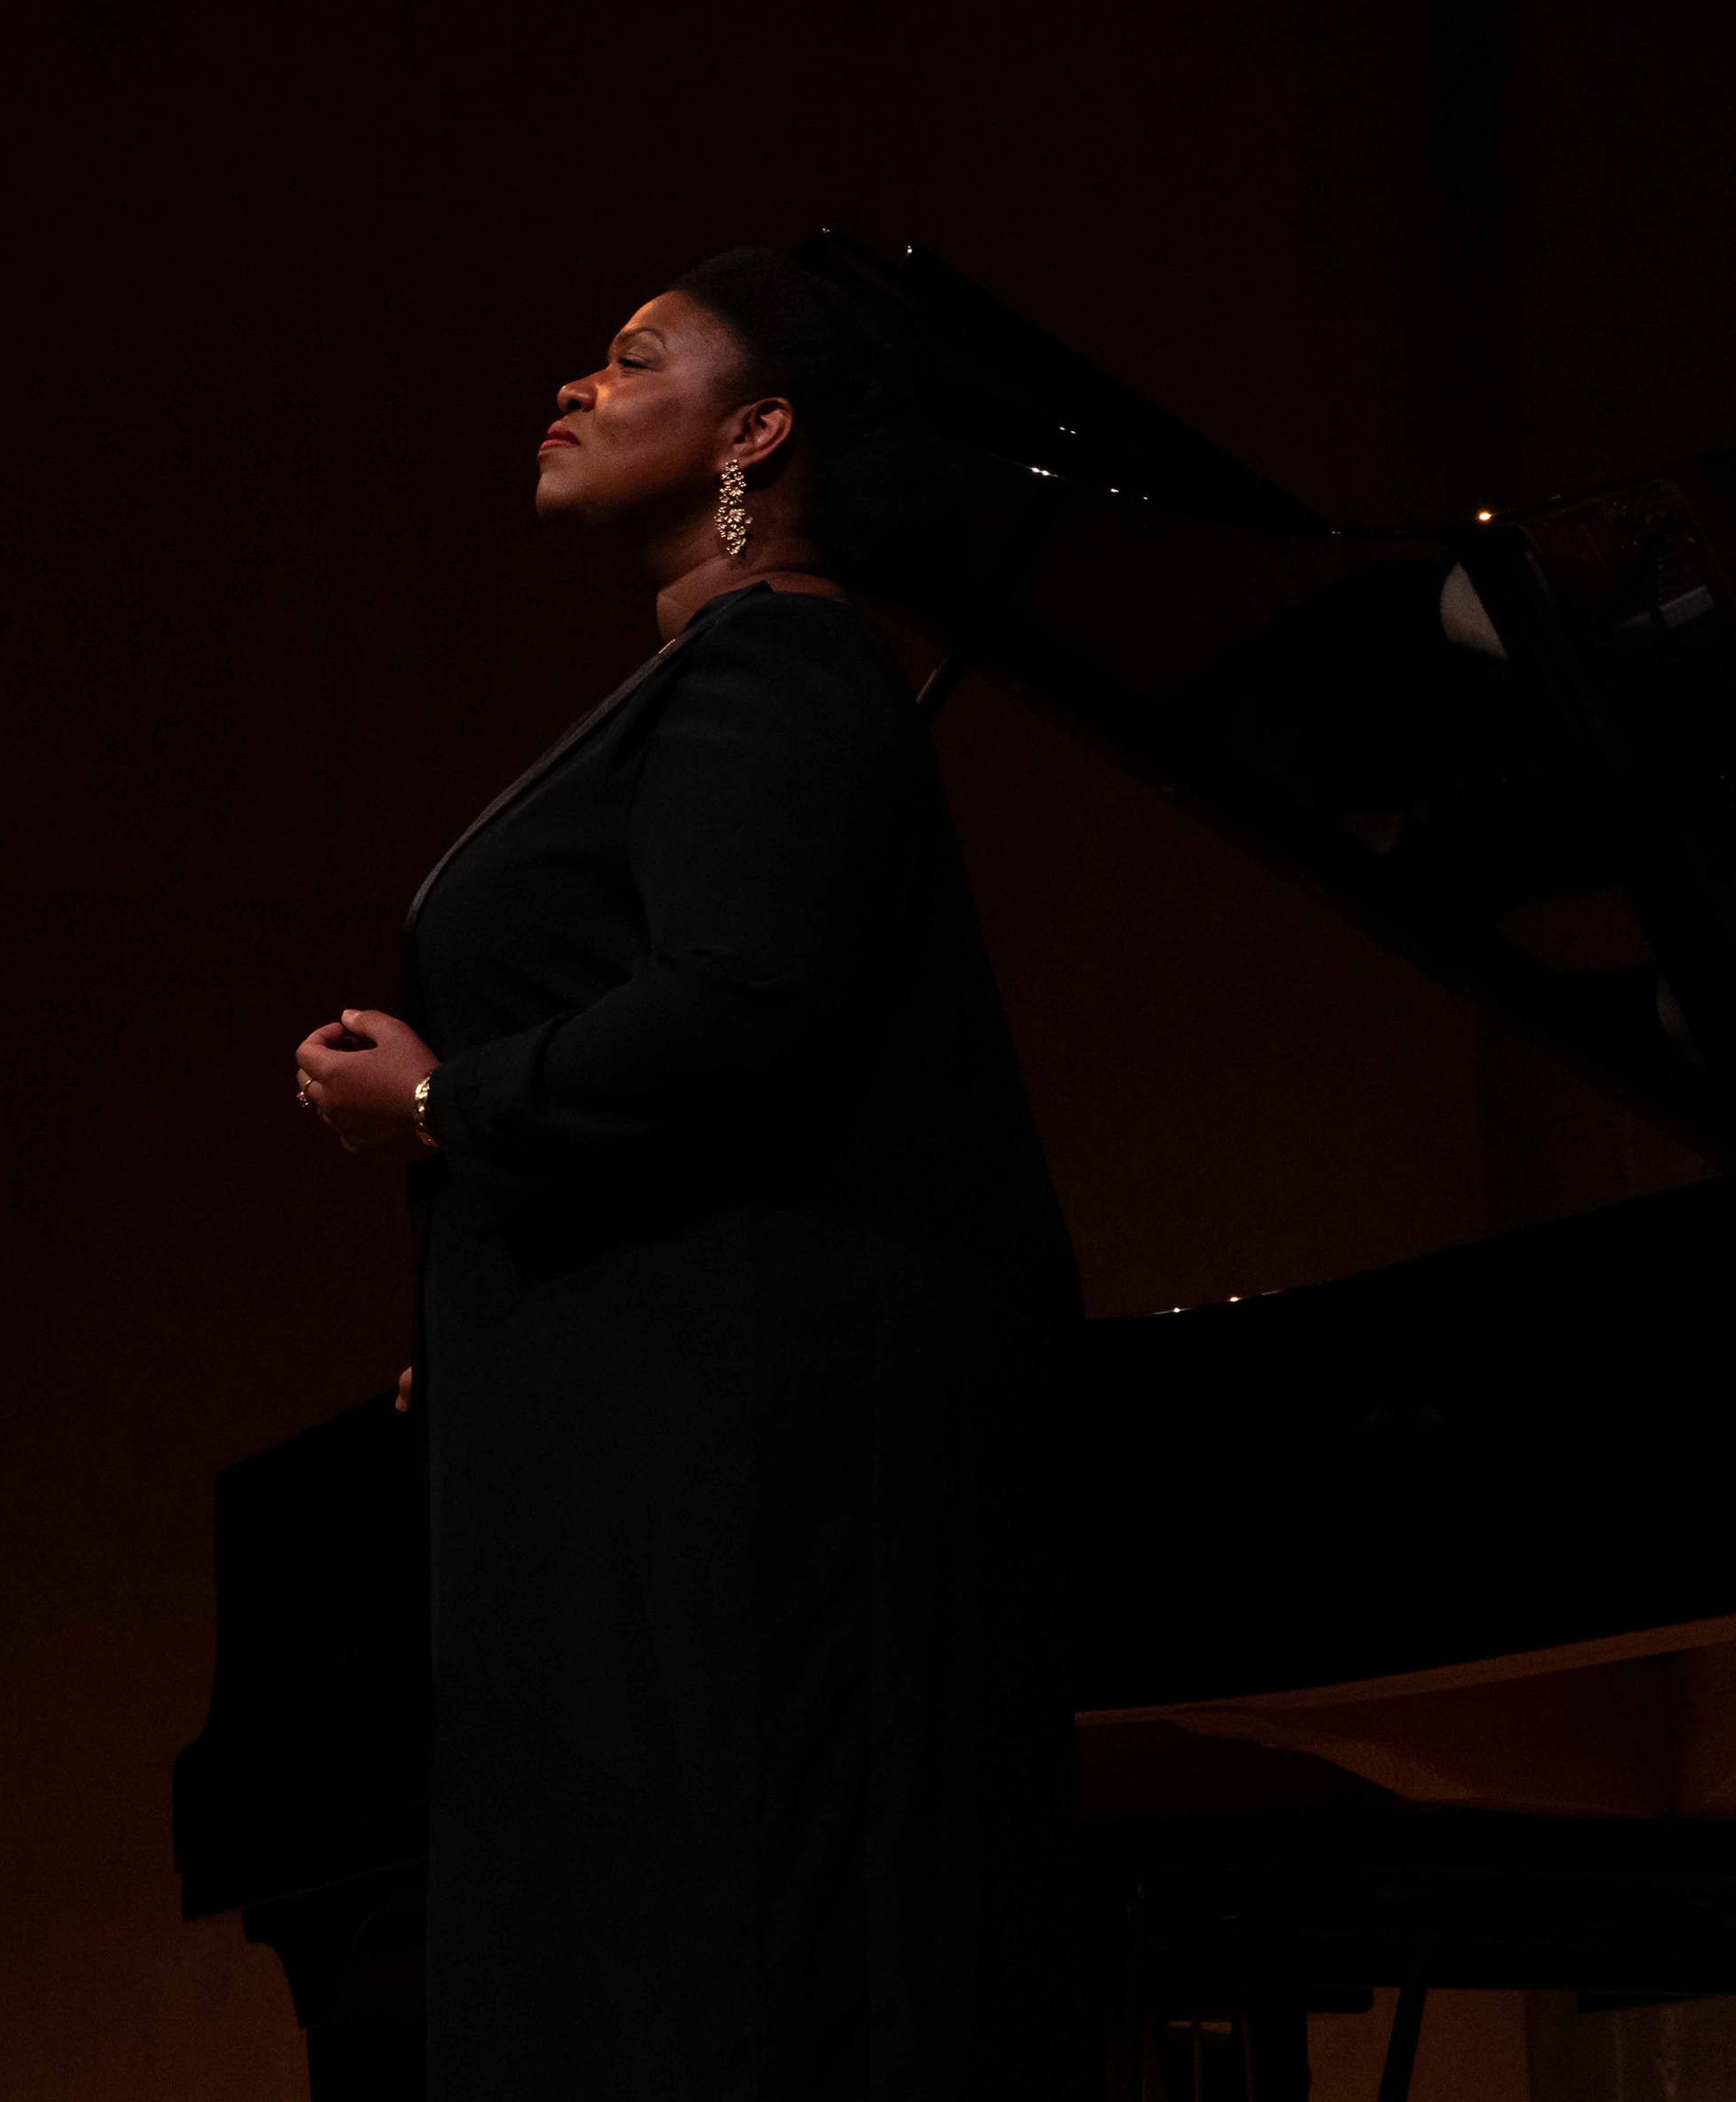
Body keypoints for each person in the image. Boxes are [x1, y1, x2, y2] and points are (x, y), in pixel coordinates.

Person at [292, 247, 1084, 2101]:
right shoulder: (730, 676)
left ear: (759, 431)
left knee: (719, 1971)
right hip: (635, 1451)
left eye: (632, 358)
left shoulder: (781, 667)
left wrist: (443, 1114)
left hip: (723, 1488)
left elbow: (739, 1014)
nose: (570, 386)